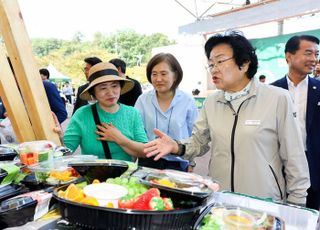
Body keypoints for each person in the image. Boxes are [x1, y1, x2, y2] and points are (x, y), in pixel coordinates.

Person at [144, 31, 310, 205]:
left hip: (263, 202)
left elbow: (294, 156)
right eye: (211, 64)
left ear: (244, 63)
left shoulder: (277, 98)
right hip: (220, 199)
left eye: (220, 61)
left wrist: (297, 202)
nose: (214, 69)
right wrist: (176, 146)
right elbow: (198, 143)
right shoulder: (211, 103)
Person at [61, 62, 148, 161]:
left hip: (125, 175)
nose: (110, 93)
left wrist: (119, 138)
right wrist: (59, 137)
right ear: (93, 93)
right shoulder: (82, 114)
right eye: (103, 88)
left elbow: (144, 152)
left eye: (114, 86)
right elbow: (65, 152)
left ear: (120, 87)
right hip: (93, 175)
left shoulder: (132, 113)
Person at [271, 35, 320, 210]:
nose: (314, 59)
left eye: (317, 54)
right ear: (289, 56)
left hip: (313, 165)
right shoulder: (272, 90)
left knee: (310, 216)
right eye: (308, 53)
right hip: (279, 164)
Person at [135, 53, 198, 171]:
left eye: (164, 74)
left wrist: (191, 162)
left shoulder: (187, 100)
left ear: (175, 75)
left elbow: (194, 136)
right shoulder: (143, 100)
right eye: (154, 74)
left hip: (178, 163)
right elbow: (136, 132)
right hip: (148, 162)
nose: (158, 79)